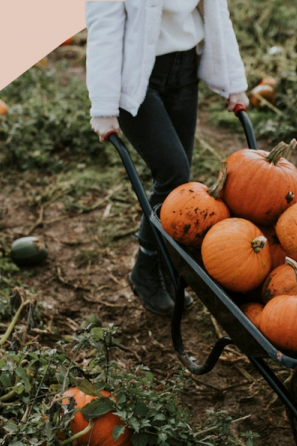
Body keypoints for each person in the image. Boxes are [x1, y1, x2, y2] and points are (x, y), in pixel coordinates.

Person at [86, 0, 250, 315]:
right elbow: (103, 28)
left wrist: (234, 83)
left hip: (184, 71)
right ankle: (146, 266)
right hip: (135, 80)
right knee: (174, 171)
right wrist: (104, 105)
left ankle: (163, 263)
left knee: (180, 183)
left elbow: (216, 14)